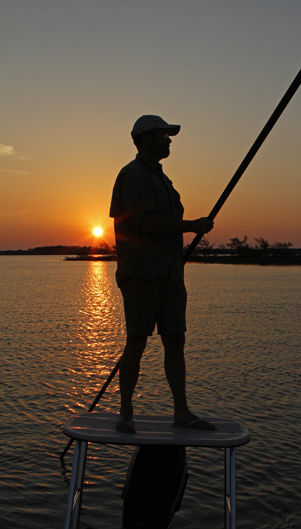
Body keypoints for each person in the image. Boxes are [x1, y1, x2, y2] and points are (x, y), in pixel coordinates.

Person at [110, 115, 216, 433]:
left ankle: (181, 411)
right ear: (145, 139)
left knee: (175, 341)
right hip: (141, 275)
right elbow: (149, 223)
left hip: (171, 276)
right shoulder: (132, 176)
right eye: (163, 135)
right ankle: (125, 412)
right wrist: (192, 226)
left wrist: (186, 230)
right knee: (136, 343)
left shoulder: (163, 180)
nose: (169, 140)